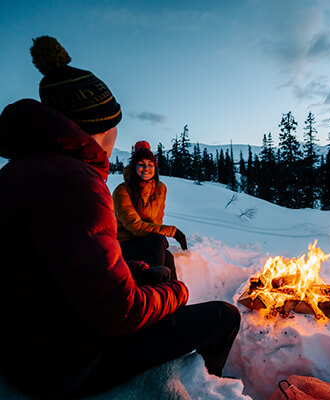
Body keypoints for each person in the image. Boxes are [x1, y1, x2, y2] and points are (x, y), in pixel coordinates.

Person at [0, 36, 240, 399]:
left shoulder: (20, 173)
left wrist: (142, 275)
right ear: (96, 129)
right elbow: (119, 312)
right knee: (224, 316)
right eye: (113, 125)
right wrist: (176, 291)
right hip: (65, 366)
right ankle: (208, 387)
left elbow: (68, 268)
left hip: (33, 346)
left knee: (157, 263)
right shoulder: (76, 184)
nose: (116, 136)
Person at [112, 140, 187, 281]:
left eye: (150, 164)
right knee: (158, 240)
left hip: (150, 242)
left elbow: (157, 220)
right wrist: (173, 232)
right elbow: (135, 226)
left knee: (168, 256)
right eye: (141, 164)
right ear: (134, 167)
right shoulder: (122, 191)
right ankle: (151, 289)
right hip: (127, 243)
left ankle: (174, 298)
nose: (146, 168)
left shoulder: (160, 189)